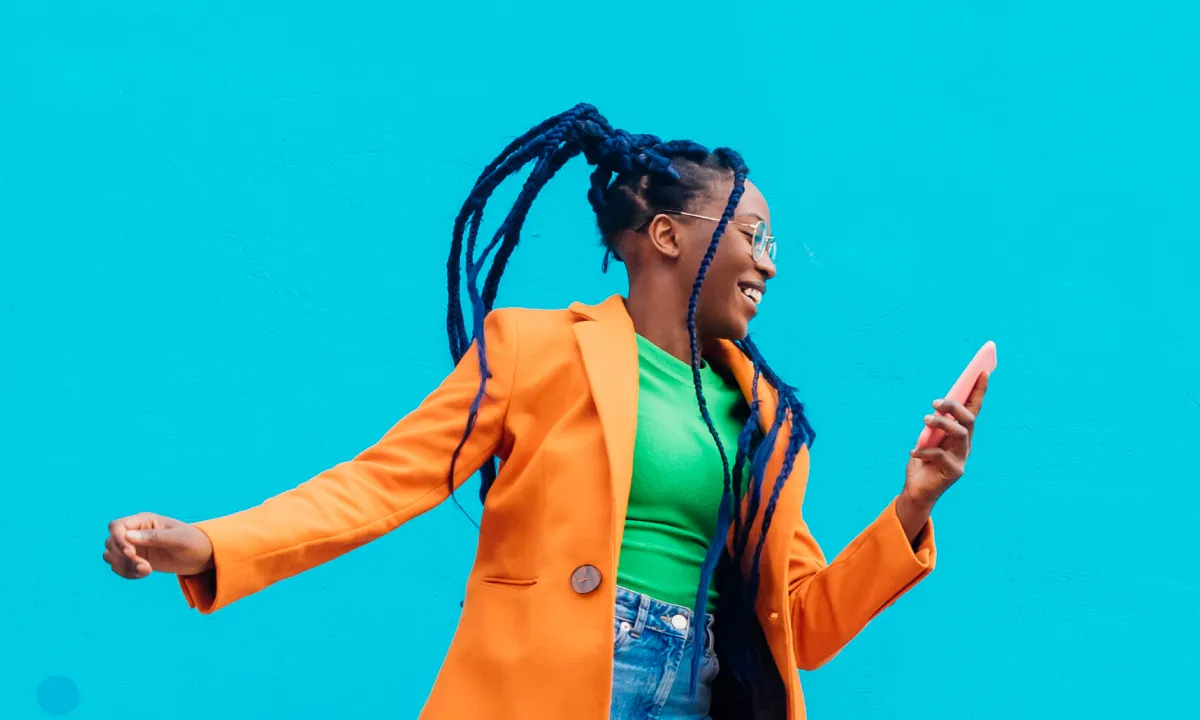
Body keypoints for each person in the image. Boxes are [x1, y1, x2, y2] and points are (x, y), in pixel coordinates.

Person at [102, 104, 989, 720]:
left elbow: (806, 624)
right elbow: (382, 485)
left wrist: (915, 503)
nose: (770, 265)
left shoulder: (764, 419)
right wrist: (213, 543)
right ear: (672, 236)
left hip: (695, 687)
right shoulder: (533, 348)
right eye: (754, 237)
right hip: (542, 688)